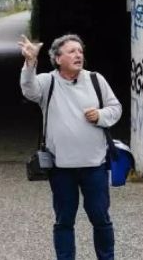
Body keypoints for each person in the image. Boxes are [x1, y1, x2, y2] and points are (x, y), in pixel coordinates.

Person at [18, 34, 122, 260]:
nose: (78, 55)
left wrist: (101, 115)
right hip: (61, 166)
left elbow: (116, 108)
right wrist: (30, 63)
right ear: (57, 59)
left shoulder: (96, 80)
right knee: (64, 221)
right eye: (72, 51)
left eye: (80, 51)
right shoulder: (48, 82)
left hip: (94, 165)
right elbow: (29, 90)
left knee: (100, 219)